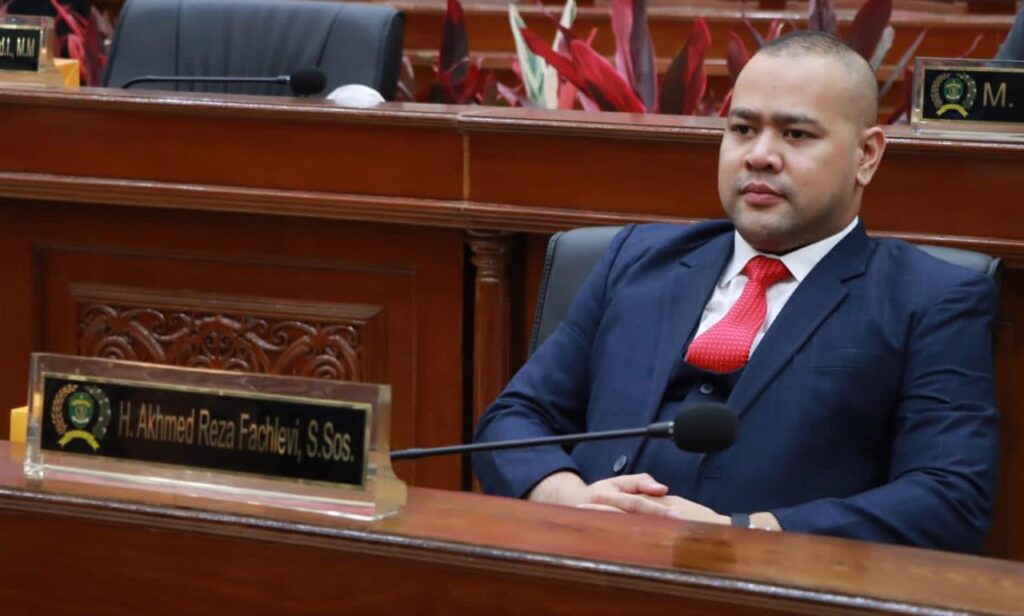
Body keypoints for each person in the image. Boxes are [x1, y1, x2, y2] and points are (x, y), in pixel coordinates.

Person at [472, 31, 1000, 553]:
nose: (760, 156)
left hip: (771, 588)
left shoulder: (930, 299)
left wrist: (745, 533)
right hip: (584, 570)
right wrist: (571, 500)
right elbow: (514, 418)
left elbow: (950, 497)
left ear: (866, 155)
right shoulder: (634, 261)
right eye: (743, 129)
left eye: (796, 134)